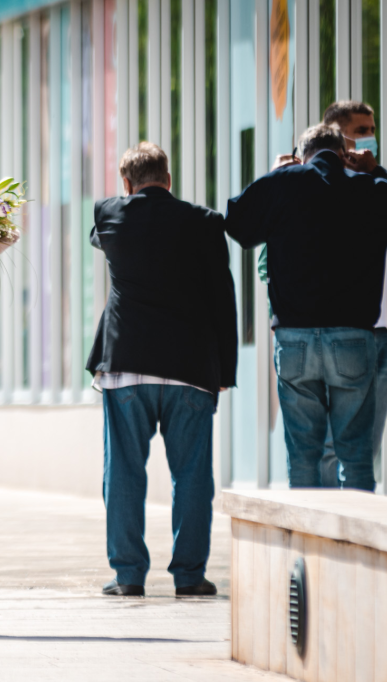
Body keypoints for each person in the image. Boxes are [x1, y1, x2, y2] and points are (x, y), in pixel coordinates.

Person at [225, 123, 387, 491]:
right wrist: (376, 171)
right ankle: (352, 546)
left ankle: (307, 548)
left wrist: (275, 174)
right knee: (355, 456)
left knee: (303, 457)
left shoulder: (282, 185)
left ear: (301, 154)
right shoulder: (367, 188)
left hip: (294, 339)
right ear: (344, 154)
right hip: (353, 338)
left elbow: (237, 223)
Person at [87, 142, 237, 598]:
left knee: (125, 473)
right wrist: (224, 369)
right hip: (190, 367)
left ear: (127, 184)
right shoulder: (206, 223)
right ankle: (190, 576)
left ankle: (129, 575)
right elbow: (223, 298)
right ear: (169, 181)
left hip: (127, 365)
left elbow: (101, 234)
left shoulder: (110, 213)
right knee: (192, 474)